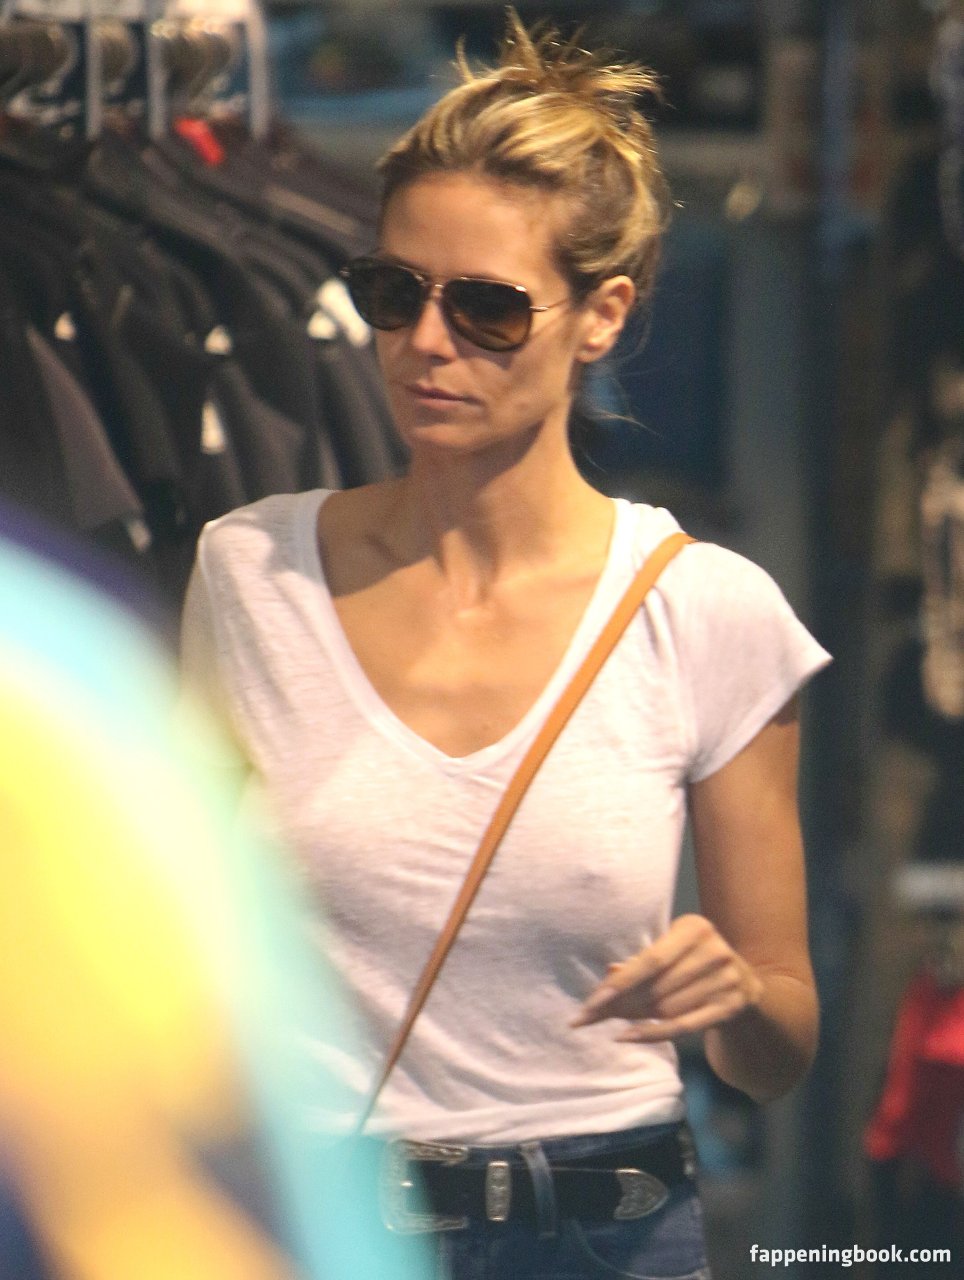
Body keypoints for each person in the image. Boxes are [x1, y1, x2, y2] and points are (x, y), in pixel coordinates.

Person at [180, 13, 832, 1278]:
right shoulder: (251, 571)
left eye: (485, 308)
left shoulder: (706, 610)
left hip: (607, 1225)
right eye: (393, 293)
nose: (427, 342)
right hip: (327, 1217)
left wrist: (739, 998)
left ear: (601, 316)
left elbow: (780, 1040)